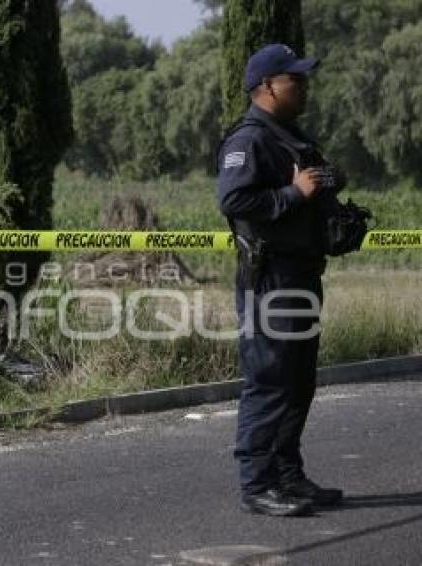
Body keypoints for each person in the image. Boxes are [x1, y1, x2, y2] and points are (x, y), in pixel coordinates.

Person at [216, 44, 345, 517]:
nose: (305, 85)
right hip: (270, 279)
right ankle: (257, 484)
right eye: (296, 79)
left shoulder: (289, 134)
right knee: (270, 381)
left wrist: (328, 181)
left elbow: (319, 183)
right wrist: (295, 193)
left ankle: (288, 476)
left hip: (301, 275)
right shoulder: (248, 139)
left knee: (298, 382)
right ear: (267, 86)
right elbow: (235, 201)